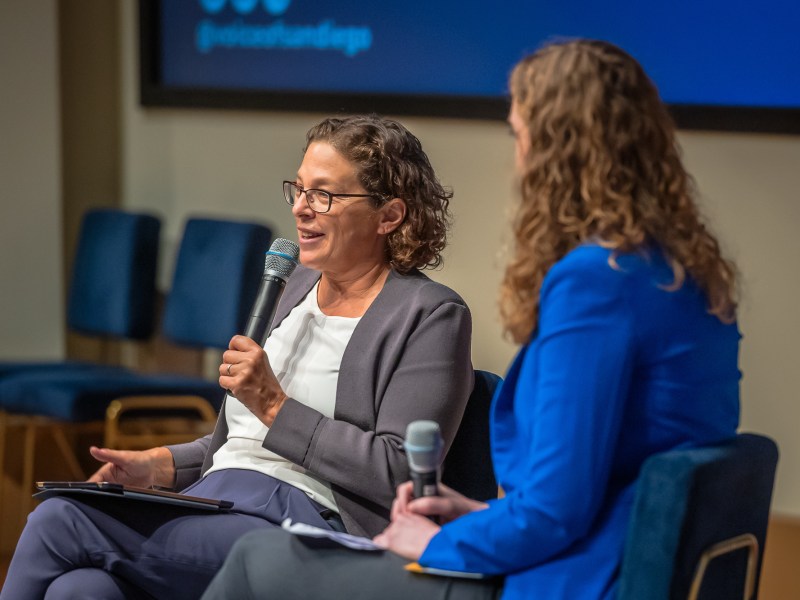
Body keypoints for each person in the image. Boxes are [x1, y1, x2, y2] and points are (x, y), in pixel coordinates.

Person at [200, 39, 742, 600]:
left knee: (258, 558)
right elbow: (600, 481)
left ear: (558, 150)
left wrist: (435, 543)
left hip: (579, 578)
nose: (520, 156)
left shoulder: (595, 286)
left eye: (520, 134)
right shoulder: (686, 278)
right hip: (623, 557)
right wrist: (478, 513)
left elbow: (557, 517)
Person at [0, 115, 474, 600]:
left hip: (307, 526)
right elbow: (239, 443)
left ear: (388, 216)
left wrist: (273, 404)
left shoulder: (430, 314)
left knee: (62, 518)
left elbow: (398, 473)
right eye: (299, 189)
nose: (302, 210)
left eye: (324, 195)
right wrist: (159, 465)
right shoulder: (293, 288)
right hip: (217, 503)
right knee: (83, 589)